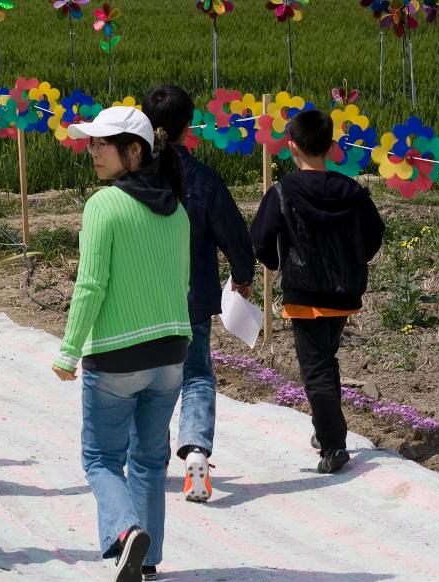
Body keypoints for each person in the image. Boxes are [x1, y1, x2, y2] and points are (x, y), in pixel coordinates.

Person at [54, 106, 191, 582]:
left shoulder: (104, 205)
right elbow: (182, 281)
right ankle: (148, 561)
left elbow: (91, 286)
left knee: (100, 459)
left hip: (116, 355)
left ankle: (126, 531)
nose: (92, 151)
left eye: (101, 144)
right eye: (90, 143)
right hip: (172, 351)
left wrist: (69, 351)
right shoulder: (177, 209)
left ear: (133, 152)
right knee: (151, 459)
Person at [250, 108, 385, 475]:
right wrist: (352, 262)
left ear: (291, 146)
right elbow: (374, 234)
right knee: (325, 359)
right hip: (343, 293)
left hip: (305, 293)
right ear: (330, 146)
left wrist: (279, 264)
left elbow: (260, 240)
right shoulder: (352, 191)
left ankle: (333, 444)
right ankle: (324, 427)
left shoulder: (283, 192)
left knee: (316, 369)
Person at [143, 84, 256, 503]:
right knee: (195, 376)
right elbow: (234, 235)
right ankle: (195, 450)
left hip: (141, 302)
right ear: (188, 127)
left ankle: (151, 459)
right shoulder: (204, 180)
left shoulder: (133, 180)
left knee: (150, 380)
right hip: (192, 300)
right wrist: (243, 277)